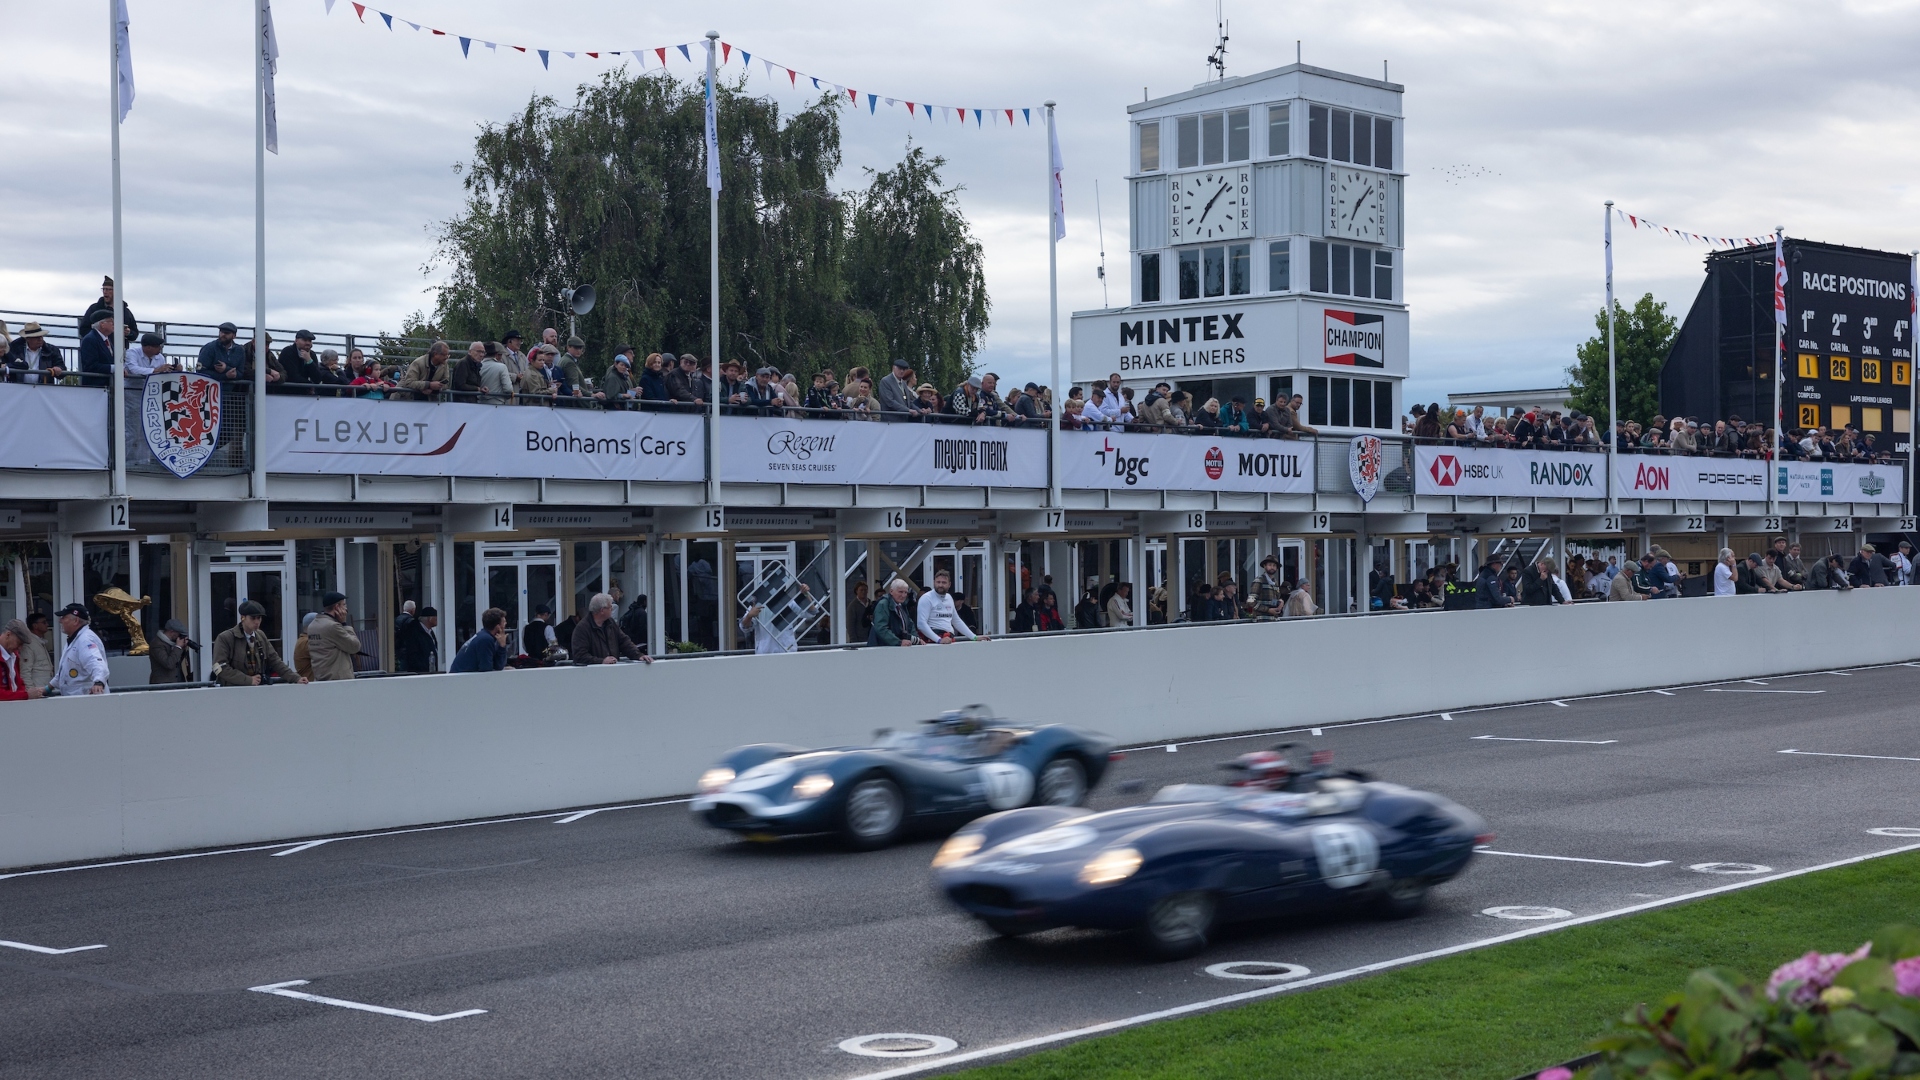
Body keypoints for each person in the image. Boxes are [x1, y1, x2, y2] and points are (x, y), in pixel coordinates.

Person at [210, 600, 303, 686]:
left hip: (256, 690)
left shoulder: (261, 636)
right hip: (231, 691)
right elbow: (220, 668)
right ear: (242, 618)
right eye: (253, 618)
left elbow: (275, 661)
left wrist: (296, 678)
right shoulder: (226, 638)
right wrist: (248, 680)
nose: (257, 622)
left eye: (259, 618)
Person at [571, 592, 652, 664]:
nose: (612, 609)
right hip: (592, 674)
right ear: (602, 610)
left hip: (612, 671)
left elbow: (624, 642)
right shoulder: (582, 628)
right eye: (610, 607)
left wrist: (639, 655)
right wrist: (601, 661)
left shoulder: (610, 623)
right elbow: (580, 656)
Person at [305, 591, 360, 682]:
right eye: (344, 605)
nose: (346, 608)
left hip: (320, 678)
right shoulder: (333, 626)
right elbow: (355, 646)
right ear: (337, 607)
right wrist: (344, 624)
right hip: (337, 681)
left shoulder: (312, 625)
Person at [917, 570, 981, 643]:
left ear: (949, 584)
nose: (940, 585)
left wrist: (974, 637)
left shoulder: (949, 598)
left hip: (948, 638)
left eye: (944, 582)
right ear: (934, 582)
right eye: (938, 582)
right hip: (933, 640)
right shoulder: (926, 598)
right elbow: (921, 624)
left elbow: (956, 621)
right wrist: (939, 640)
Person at [451, 607, 510, 673]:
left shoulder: (483, 636)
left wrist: (502, 646)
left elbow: (497, 666)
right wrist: (502, 647)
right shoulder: (485, 640)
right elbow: (486, 670)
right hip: (462, 678)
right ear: (498, 626)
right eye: (504, 622)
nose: (506, 624)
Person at [0, 620, 45, 700]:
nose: (20, 648)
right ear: (8, 635)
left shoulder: (14, 656)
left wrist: (25, 694)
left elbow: (19, 684)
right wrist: (26, 695)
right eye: (19, 643)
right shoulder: (13, 656)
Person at [868, 578, 918, 646]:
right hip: (881, 647)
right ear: (891, 591)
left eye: (905, 592)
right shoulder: (883, 604)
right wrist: (898, 642)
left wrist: (917, 640)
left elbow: (909, 624)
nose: (903, 595)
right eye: (900, 592)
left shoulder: (902, 605)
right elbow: (881, 628)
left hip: (894, 647)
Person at [147, 618, 195, 683]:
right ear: (171, 632)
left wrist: (182, 648)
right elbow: (169, 664)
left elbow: (177, 662)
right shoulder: (157, 644)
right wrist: (178, 647)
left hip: (178, 683)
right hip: (163, 684)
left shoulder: (172, 643)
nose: (179, 636)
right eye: (179, 634)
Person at [12, 614, 53, 690]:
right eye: (44, 622)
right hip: (37, 690)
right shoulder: (29, 644)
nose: (47, 624)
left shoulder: (40, 642)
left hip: (44, 689)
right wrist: (30, 691)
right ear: (35, 626)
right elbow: (25, 672)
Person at [394, 605, 439, 673]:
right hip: (418, 672)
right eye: (436, 618)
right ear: (430, 619)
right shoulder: (414, 632)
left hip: (429, 670)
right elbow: (412, 653)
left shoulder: (429, 631)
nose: (438, 620)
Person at [78, 312, 117, 386]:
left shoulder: (107, 339)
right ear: (102, 324)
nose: (113, 323)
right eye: (111, 321)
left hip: (107, 385)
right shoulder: (90, 340)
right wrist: (113, 368)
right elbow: (90, 366)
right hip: (95, 386)